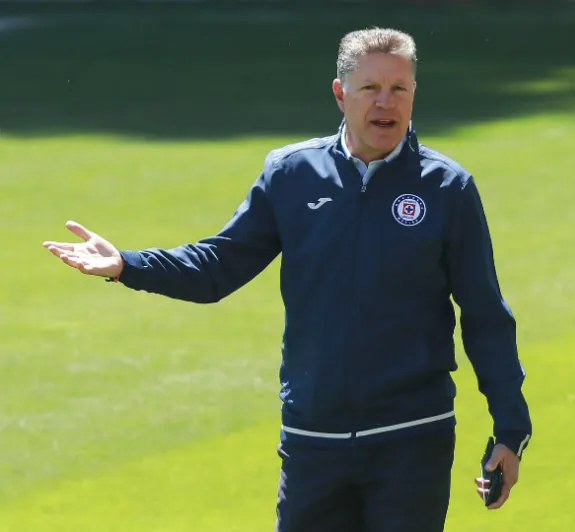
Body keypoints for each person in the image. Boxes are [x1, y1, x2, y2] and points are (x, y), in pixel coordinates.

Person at [43, 27, 532, 532]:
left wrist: (509, 429)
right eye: (370, 88)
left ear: (413, 94)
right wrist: (127, 264)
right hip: (312, 440)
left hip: (411, 438)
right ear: (341, 93)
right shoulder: (292, 174)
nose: (385, 103)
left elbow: (485, 315)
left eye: (399, 89)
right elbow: (217, 266)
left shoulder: (447, 187)